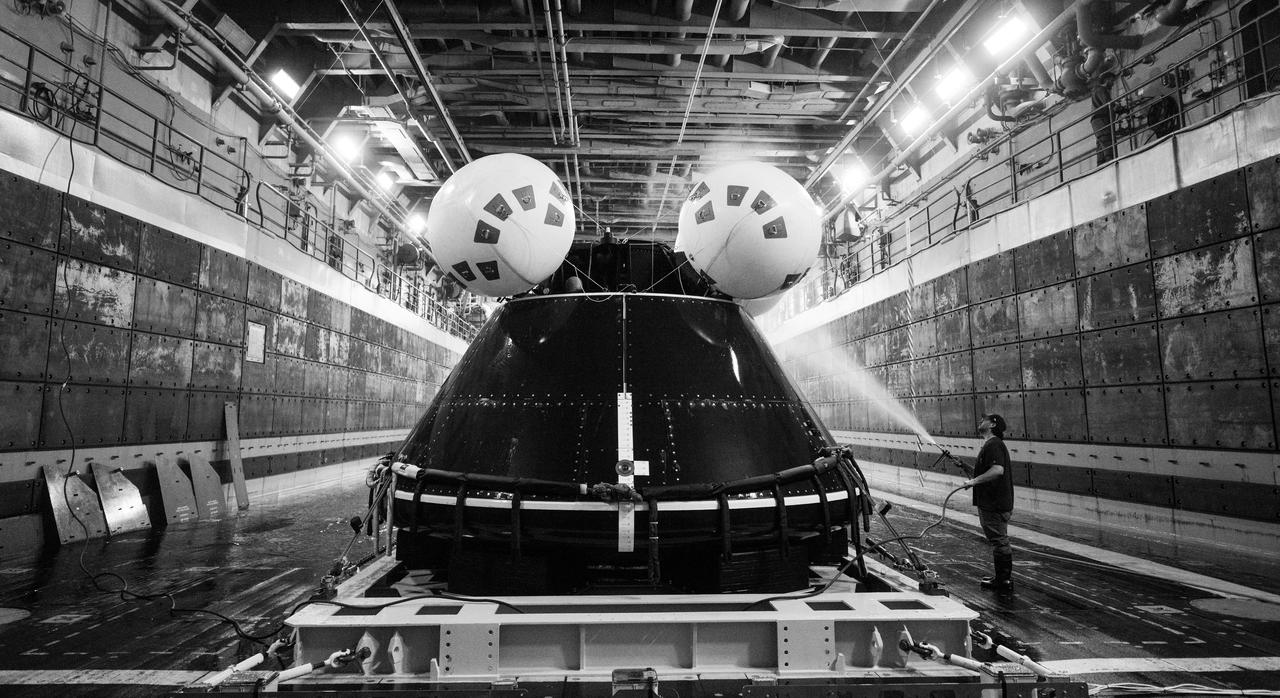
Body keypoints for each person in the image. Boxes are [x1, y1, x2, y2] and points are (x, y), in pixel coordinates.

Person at [961, 414, 1014, 592]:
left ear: (992, 424)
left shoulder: (994, 444)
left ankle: (1003, 581)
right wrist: (967, 469)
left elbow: (997, 470)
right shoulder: (992, 445)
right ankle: (1001, 578)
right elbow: (987, 472)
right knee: (998, 540)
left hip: (994, 504)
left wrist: (973, 482)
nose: (979, 421)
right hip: (993, 502)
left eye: (984, 419)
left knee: (999, 541)